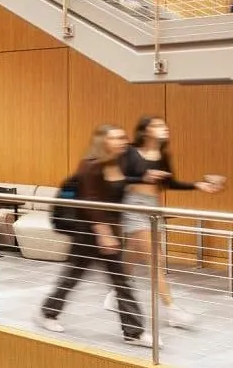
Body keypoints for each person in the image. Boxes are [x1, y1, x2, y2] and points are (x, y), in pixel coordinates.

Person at [38, 124, 143, 341]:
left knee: (120, 280)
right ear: (103, 142)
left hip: (109, 233)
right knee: (73, 276)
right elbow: (90, 200)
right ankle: (49, 313)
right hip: (88, 232)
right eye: (115, 138)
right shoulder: (90, 165)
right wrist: (103, 231)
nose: (122, 141)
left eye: (123, 137)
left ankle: (134, 333)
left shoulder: (121, 164)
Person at [120, 116, 223, 330]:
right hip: (133, 205)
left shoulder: (163, 155)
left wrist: (198, 185)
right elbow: (118, 179)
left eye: (165, 125)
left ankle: (116, 291)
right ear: (145, 131)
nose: (164, 128)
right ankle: (171, 310)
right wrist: (143, 178)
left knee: (131, 254)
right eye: (157, 125)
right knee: (154, 259)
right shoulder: (130, 152)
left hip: (153, 204)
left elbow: (169, 183)